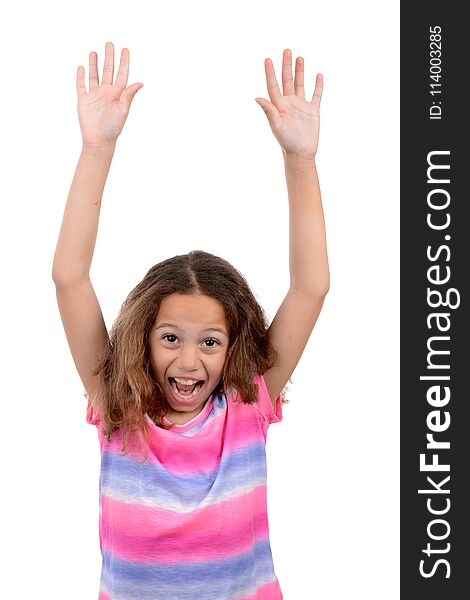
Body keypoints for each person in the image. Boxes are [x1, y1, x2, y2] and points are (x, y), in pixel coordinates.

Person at [52, 41, 329, 600]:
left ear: (233, 348)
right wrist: (96, 148)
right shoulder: (117, 408)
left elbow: (310, 287)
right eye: (170, 338)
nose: (187, 359)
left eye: (210, 342)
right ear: (143, 339)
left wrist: (300, 161)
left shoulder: (247, 406)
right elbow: (69, 279)